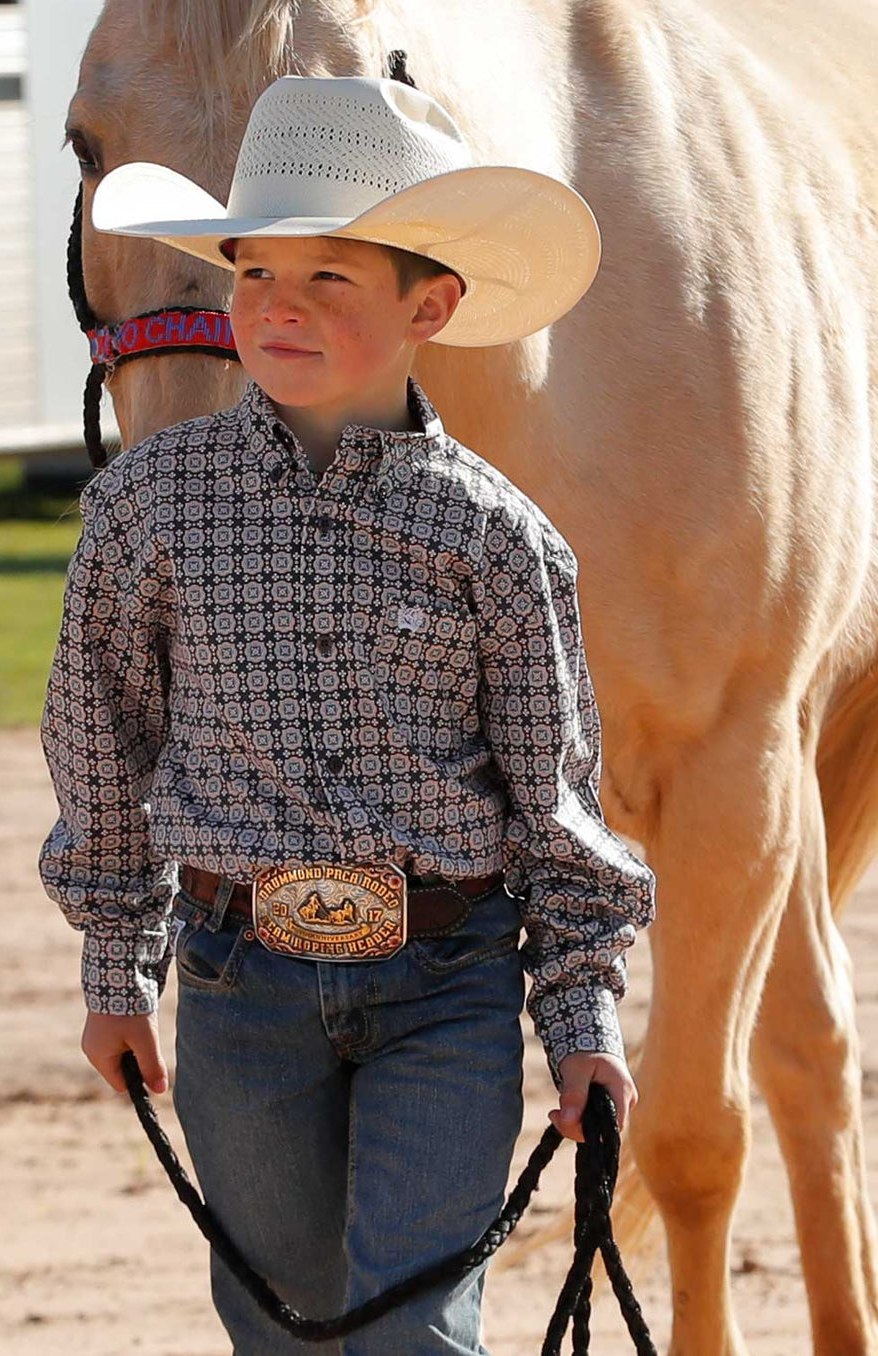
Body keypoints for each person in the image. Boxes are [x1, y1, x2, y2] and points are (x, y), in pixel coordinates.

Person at [38, 73, 656, 1356]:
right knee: (284, 1330)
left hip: (450, 982)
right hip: (233, 978)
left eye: (330, 279)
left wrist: (583, 1022)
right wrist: (117, 967)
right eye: (256, 273)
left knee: (413, 1333)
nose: (278, 309)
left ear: (430, 305)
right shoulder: (150, 509)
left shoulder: (498, 539)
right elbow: (101, 742)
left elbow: (555, 803)